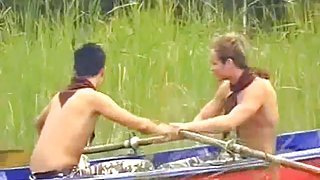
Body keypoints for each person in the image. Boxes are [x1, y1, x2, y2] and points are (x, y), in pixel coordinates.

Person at [29, 43, 176, 179]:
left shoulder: (59, 97)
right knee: (145, 166)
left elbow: (38, 123)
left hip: (36, 175)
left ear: (75, 70)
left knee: (83, 161)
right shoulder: (91, 97)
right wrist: (165, 130)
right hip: (62, 176)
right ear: (102, 72)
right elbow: (141, 125)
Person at [173, 32, 279, 155]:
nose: (212, 68)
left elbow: (229, 122)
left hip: (260, 161)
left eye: (214, 63)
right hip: (235, 158)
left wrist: (187, 127)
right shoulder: (226, 88)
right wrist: (184, 129)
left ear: (229, 63)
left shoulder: (258, 88)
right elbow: (203, 117)